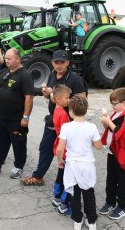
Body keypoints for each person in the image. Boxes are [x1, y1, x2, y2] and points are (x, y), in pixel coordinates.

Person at [22, 50, 87, 186]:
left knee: (66, 152)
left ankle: (68, 181)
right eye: (56, 62)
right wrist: (47, 94)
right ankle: (38, 176)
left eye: (62, 62)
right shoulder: (52, 74)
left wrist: (62, 99)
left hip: (68, 122)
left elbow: (82, 102)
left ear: (68, 63)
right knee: (45, 147)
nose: (59, 65)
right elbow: (50, 97)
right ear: (52, 63)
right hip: (53, 119)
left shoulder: (75, 79)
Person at [0, 48, 34, 179]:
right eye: (6, 58)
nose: (6, 60)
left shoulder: (25, 75)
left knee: (18, 143)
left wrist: (25, 117)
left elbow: (29, 98)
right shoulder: (4, 72)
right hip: (1, 116)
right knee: (0, 143)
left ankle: (18, 166)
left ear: (18, 59)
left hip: (17, 118)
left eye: (9, 58)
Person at [57, 96, 103, 230]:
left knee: (74, 194)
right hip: (87, 165)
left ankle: (77, 219)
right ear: (86, 111)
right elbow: (99, 146)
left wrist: (60, 161)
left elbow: (60, 148)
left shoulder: (66, 127)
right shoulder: (92, 127)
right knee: (89, 193)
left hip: (72, 165)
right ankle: (91, 221)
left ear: (70, 111)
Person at [99, 87, 125, 220]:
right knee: (111, 178)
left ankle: (122, 206)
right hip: (113, 151)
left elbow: (122, 135)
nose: (112, 106)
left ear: (124, 103)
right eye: (111, 103)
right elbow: (110, 129)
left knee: (122, 180)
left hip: (123, 153)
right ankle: (110, 201)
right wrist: (106, 122)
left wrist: (108, 121)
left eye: (115, 103)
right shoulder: (116, 113)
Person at [51, 84, 72, 215]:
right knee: (67, 177)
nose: (69, 100)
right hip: (65, 149)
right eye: (67, 98)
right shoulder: (63, 114)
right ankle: (64, 203)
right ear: (58, 99)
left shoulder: (57, 110)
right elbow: (67, 134)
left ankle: (57, 198)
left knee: (61, 174)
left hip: (60, 146)